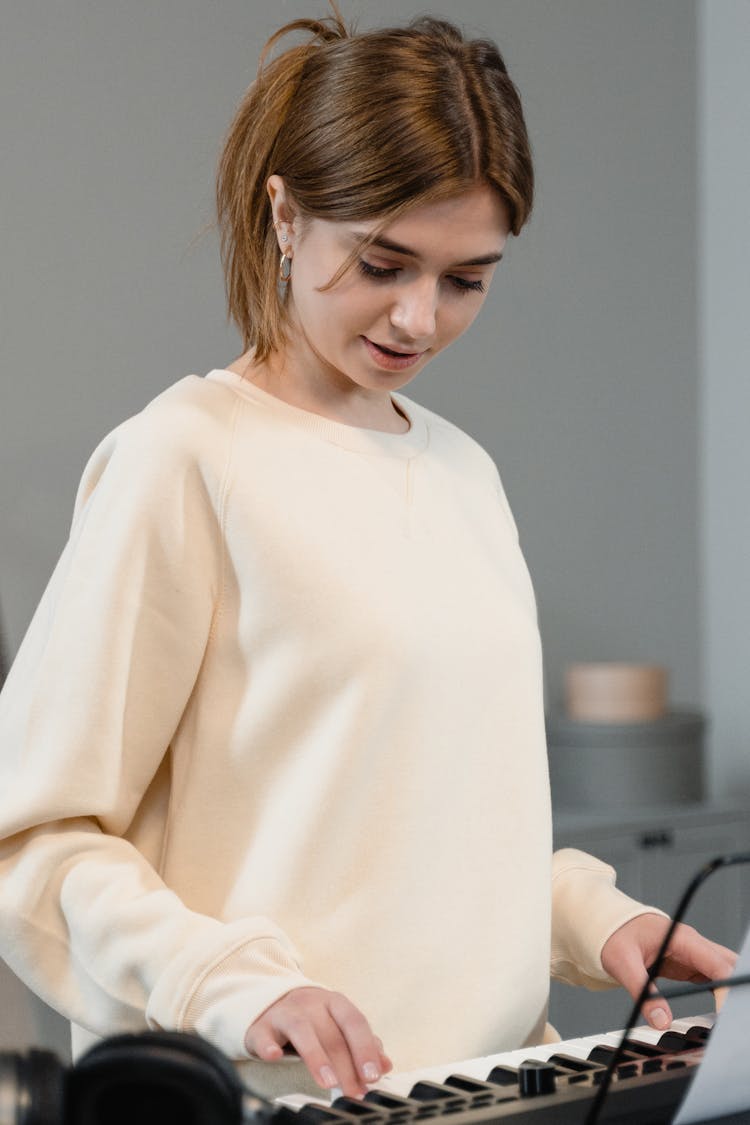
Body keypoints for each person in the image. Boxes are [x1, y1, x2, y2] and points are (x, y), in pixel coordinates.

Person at [0, 5, 735, 1105]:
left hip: (509, 1091)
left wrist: (597, 917)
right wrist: (232, 983)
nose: (419, 319)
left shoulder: (464, 476)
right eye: (385, 262)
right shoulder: (185, 461)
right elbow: (33, 841)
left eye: (466, 278)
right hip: (276, 1101)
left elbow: (420, 824)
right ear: (287, 216)